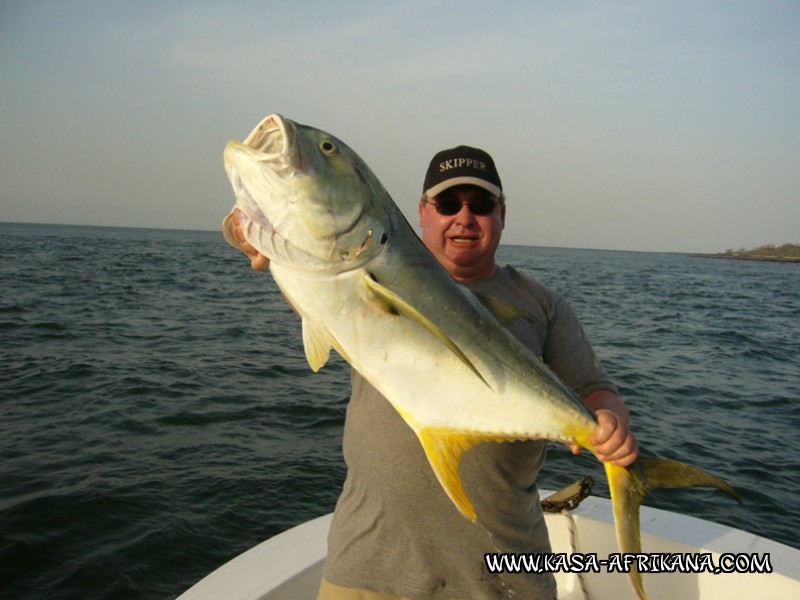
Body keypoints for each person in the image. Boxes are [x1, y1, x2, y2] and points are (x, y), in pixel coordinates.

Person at [229, 145, 638, 600]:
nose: (464, 218)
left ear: (502, 215)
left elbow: (596, 392)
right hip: (367, 569)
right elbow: (319, 287)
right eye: (447, 205)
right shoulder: (363, 272)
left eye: (481, 205)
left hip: (502, 581)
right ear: (421, 213)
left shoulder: (543, 305)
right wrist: (254, 233)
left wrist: (611, 423)